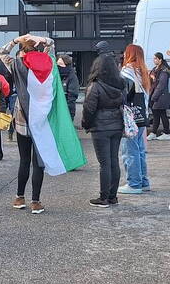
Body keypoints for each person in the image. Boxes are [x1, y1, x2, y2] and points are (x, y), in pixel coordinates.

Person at [0, 35, 54, 214]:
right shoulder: (47, 62)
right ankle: (36, 202)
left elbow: (2, 52)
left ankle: (19, 197)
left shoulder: (16, 64)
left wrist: (16, 40)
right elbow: (51, 45)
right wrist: (42, 39)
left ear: (22, 50)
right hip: (42, 118)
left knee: (24, 160)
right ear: (37, 48)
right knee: (38, 163)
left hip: (22, 116)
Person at [82, 55, 128, 209]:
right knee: (114, 161)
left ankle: (103, 198)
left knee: (104, 164)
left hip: (100, 127)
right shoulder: (121, 84)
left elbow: (89, 109)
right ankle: (112, 196)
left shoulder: (95, 86)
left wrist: (85, 124)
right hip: (117, 125)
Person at [118, 44, 151, 195]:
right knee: (140, 150)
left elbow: (122, 95)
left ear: (129, 54)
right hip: (142, 116)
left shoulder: (127, 72)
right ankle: (143, 182)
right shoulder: (143, 72)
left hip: (130, 118)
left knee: (130, 151)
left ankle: (134, 183)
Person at [148, 52, 170, 140]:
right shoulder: (155, 69)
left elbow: (161, 85)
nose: (154, 60)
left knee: (161, 114)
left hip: (160, 96)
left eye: (155, 58)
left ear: (160, 59)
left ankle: (166, 133)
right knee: (157, 115)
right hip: (156, 95)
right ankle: (154, 132)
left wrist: (154, 97)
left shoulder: (164, 70)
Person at [56, 54, 79, 119]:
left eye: (60, 64)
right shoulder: (55, 76)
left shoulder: (72, 77)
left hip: (66, 111)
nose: (58, 66)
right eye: (57, 64)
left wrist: (70, 115)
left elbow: (72, 97)